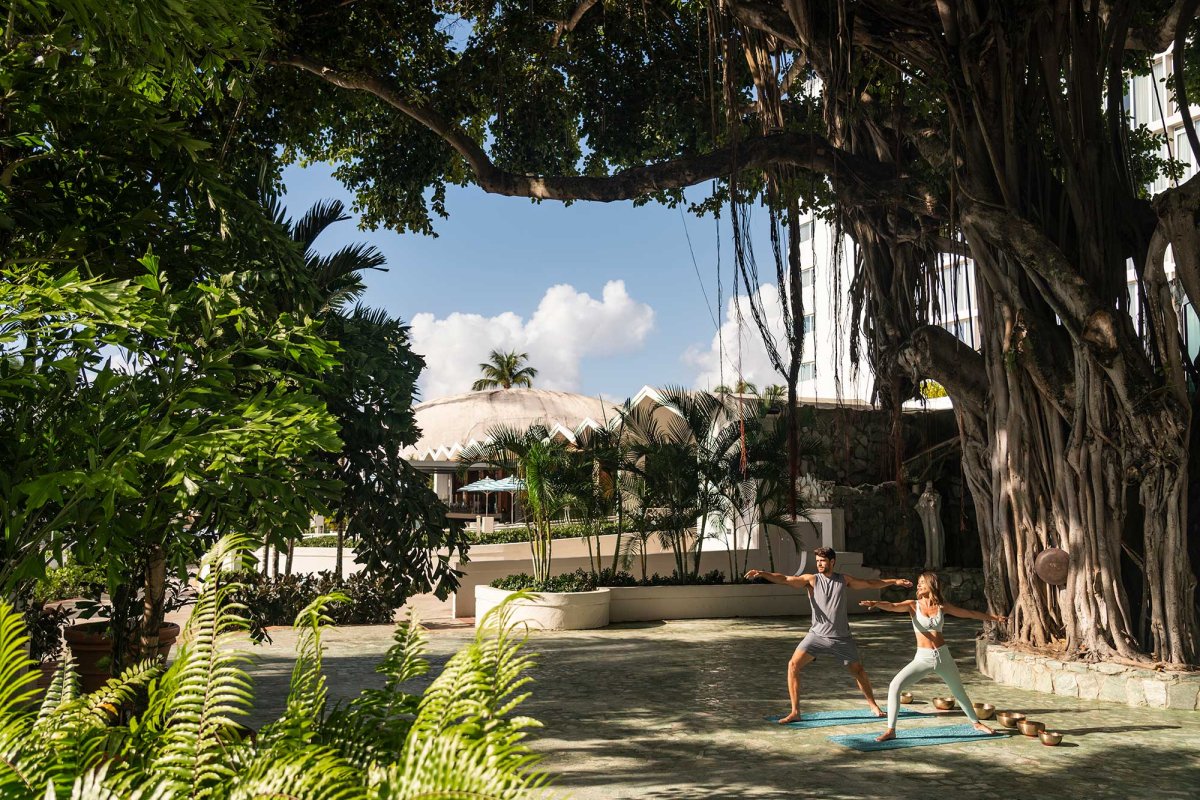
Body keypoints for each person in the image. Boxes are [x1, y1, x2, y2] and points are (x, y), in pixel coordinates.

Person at [745, 547, 913, 724]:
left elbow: (870, 583)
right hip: (816, 636)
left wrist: (894, 581)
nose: (819, 564)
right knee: (793, 665)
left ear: (832, 562)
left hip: (841, 638)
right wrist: (762, 573)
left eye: (822, 561)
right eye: (817, 560)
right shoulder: (811, 580)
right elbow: (786, 579)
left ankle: (873, 705)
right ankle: (795, 712)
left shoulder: (843, 580)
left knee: (858, 671)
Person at [860, 571, 1008, 742]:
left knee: (959, 692)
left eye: (922, 582)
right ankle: (891, 730)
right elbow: (893, 606)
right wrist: (877, 603)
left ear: (931, 584)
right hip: (922, 659)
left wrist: (994, 618)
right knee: (895, 685)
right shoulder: (912, 605)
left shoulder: (942, 606)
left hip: (943, 656)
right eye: (918, 582)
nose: (918, 585)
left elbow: (970, 613)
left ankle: (976, 723)